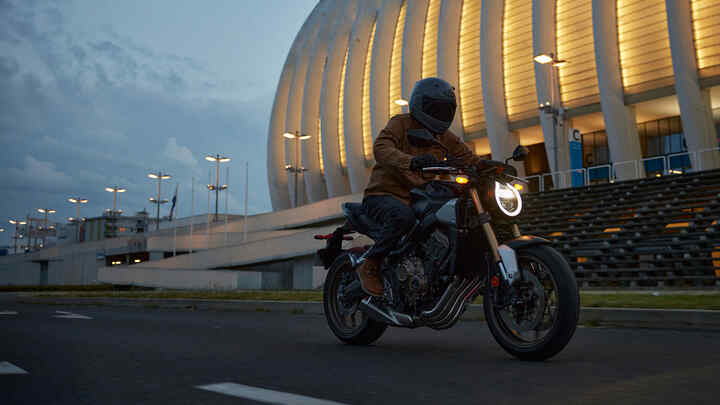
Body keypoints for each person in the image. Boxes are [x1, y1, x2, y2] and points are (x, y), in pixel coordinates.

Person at [355, 77, 492, 296]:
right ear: (419, 103)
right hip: (384, 195)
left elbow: (467, 158)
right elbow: (381, 148)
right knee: (403, 218)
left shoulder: (443, 136)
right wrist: (410, 161)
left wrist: (489, 165)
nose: (440, 114)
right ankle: (370, 264)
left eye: (445, 110)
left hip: (420, 197)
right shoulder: (401, 123)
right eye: (434, 108)